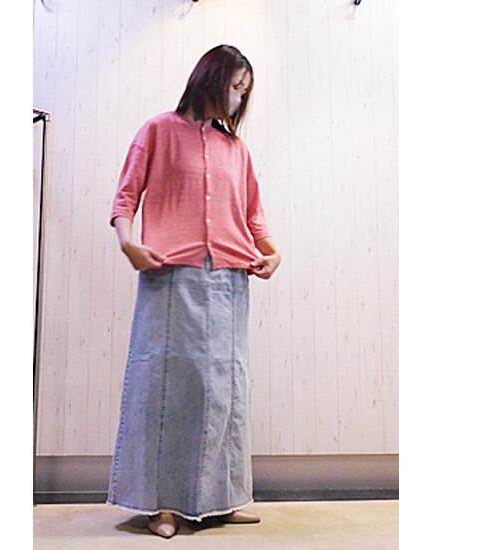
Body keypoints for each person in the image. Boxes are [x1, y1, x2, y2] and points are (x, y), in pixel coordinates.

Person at [106, 44, 281, 539]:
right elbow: (125, 198)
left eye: (245, 90)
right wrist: (128, 243)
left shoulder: (236, 150)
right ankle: (162, 504)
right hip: (170, 274)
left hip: (230, 278)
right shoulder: (158, 131)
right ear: (212, 78)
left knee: (224, 391)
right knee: (167, 389)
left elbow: (253, 215)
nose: (239, 97)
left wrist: (272, 252)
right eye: (235, 85)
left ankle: (220, 500)